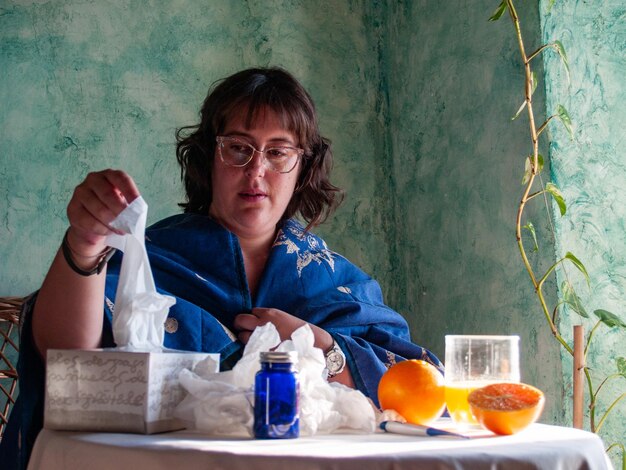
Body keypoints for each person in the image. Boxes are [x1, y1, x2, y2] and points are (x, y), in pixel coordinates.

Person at [0, 67, 442, 469]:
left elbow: (419, 388)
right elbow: (66, 356)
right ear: (207, 159)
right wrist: (84, 243)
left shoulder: (337, 282)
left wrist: (320, 346)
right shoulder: (152, 259)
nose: (256, 171)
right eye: (238, 148)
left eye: (278, 152)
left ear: (302, 166)